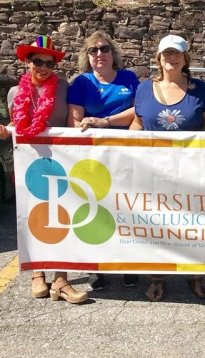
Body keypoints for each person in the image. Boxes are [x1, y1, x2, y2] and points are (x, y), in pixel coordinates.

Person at [0, 36, 87, 304]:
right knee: (34, 217)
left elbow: (72, 117)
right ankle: (38, 274)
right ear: (27, 62)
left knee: (64, 216)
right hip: (30, 163)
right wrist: (5, 131)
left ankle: (61, 279)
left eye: (49, 62)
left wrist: (82, 127)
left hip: (61, 161)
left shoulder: (62, 87)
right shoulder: (15, 93)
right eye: (38, 61)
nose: (44, 67)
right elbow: (18, 126)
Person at [130, 34, 205, 301]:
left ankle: (195, 273)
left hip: (191, 169)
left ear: (185, 58)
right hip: (153, 168)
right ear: (159, 58)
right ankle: (157, 276)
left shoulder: (198, 88)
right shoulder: (144, 88)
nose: (171, 58)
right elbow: (138, 123)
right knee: (157, 223)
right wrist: (115, 140)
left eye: (176, 53)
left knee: (192, 222)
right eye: (166, 53)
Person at [67, 30, 140, 290]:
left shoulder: (129, 78)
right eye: (93, 50)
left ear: (113, 53)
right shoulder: (81, 83)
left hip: (126, 154)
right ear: (87, 56)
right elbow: (73, 121)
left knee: (126, 209)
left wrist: (106, 122)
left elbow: (140, 109)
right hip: (93, 155)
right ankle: (97, 265)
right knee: (97, 211)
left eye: (105, 49)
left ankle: (128, 265)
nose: (100, 54)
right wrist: (88, 130)